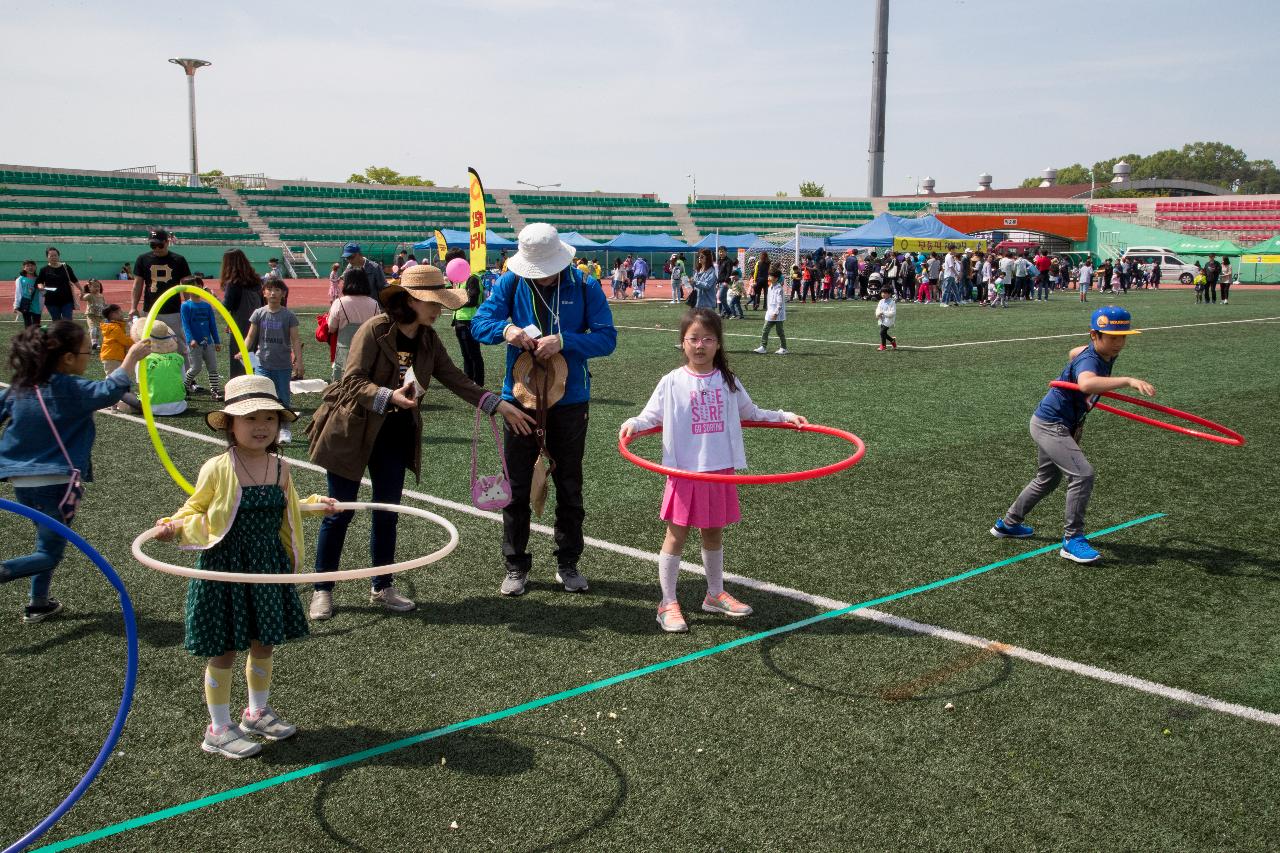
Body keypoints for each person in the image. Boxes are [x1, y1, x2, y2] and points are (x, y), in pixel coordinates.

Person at [307, 264, 534, 617]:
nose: (440, 309)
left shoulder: (429, 339)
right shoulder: (375, 330)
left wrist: (499, 405)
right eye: (434, 302)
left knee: (387, 513)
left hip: (395, 436)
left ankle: (382, 586)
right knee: (340, 513)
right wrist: (389, 396)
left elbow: (457, 379)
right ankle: (323, 588)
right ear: (410, 299)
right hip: (352, 431)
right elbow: (350, 383)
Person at [151, 375, 338, 758]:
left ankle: (256, 712)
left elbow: (287, 506)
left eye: (269, 418)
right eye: (250, 418)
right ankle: (218, 729)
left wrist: (316, 504)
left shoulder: (281, 468)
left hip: (267, 566)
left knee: (263, 641)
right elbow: (196, 508)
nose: (261, 426)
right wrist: (172, 526)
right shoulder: (218, 468)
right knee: (225, 649)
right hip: (227, 566)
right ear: (230, 425)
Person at [620, 308, 807, 633]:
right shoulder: (672, 381)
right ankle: (667, 601)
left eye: (708, 338)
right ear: (682, 343)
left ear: (718, 344)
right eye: (693, 338)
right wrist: (634, 423)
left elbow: (752, 413)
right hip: (685, 472)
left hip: (718, 469)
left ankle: (714, 593)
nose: (700, 345)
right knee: (676, 535)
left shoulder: (728, 381)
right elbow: (650, 416)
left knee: (713, 532)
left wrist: (784, 416)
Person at [470, 224, 618, 597]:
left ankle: (568, 562)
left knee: (569, 484)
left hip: (570, 401)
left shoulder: (584, 285)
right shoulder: (511, 282)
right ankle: (516, 564)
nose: (542, 274)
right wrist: (507, 332)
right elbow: (478, 324)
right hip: (519, 400)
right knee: (517, 485)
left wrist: (565, 341)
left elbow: (607, 338)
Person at [0, 322, 151, 621]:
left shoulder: (21, 388)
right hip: (55, 482)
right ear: (68, 358)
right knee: (49, 552)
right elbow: (109, 390)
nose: (90, 357)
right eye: (87, 352)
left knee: (48, 540)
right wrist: (131, 357)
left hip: (21, 481)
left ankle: (38, 603)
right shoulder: (69, 387)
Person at [991, 306, 1153, 564]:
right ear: (1094, 335)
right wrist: (1128, 381)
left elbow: (1073, 353)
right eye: (1112, 337)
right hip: (1050, 423)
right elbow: (1087, 384)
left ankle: (1008, 524)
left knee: (1046, 479)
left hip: (1060, 424)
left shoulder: (1101, 353)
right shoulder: (1093, 359)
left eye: (1123, 337)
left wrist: (1076, 363)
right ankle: (1072, 539)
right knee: (1083, 473)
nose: (1119, 343)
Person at [243, 281, 302, 443]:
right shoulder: (259, 313)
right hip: (262, 364)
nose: (273, 293)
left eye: (277, 290)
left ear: (283, 294)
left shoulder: (289, 316)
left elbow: (295, 340)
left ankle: (284, 429)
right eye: (269, 289)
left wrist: (299, 361)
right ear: (264, 293)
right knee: (263, 397)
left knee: (283, 398)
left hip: (283, 365)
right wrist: (243, 351)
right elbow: (250, 336)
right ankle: (265, 430)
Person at [131, 229, 191, 367]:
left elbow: (186, 285)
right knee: (150, 345)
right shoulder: (142, 259)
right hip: (151, 310)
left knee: (180, 345)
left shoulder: (179, 260)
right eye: (153, 245)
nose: (156, 248)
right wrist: (133, 307)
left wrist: (188, 304)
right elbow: (137, 285)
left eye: (159, 245)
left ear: (167, 242)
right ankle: (154, 374)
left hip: (173, 310)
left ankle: (187, 379)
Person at [120, 320, 187, 416]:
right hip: (180, 406)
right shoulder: (179, 358)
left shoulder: (143, 360)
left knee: (121, 392)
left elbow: (141, 385)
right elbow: (183, 381)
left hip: (152, 408)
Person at [326, 267, 381, 382]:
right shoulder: (374, 304)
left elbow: (331, 328)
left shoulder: (339, 302)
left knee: (341, 382)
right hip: (367, 351)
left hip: (345, 352)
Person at [220, 249, 264, 380]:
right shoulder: (256, 280)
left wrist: (214, 298)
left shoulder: (233, 283)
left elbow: (227, 305)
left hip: (241, 324)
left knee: (239, 355)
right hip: (257, 323)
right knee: (253, 354)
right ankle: (254, 380)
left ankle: (240, 384)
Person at [444, 249, 486, 385]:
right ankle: (469, 383)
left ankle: (478, 384)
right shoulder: (460, 279)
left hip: (470, 322)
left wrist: (456, 302)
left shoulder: (472, 278)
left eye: (449, 262)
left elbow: (473, 300)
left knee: (474, 355)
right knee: (466, 355)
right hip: (460, 321)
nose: (448, 266)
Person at [180, 279, 223, 400]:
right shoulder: (186, 306)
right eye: (194, 286)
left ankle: (215, 391)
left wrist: (217, 341)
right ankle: (184, 387)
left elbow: (212, 325)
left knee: (212, 367)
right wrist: (191, 339)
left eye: (199, 286)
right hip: (194, 344)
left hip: (207, 342)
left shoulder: (206, 306)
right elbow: (186, 325)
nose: (197, 288)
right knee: (196, 367)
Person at [36, 246, 79, 322]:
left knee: (68, 321)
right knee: (56, 321)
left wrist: (82, 290)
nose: (53, 257)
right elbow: (39, 282)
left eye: (55, 255)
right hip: (51, 301)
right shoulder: (44, 270)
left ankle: (67, 334)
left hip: (67, 299)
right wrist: (41, 286)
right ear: (47, 257)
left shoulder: (66, 267)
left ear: (58, 256)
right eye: (51, 256)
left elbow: (74, 279)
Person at [753, 271, 787, 355]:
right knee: (765, 330)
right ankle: (763, 347)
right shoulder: (770, 286)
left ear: (776, 278)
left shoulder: (779, 288)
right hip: (770, 313)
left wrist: (776, 312)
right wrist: (769, 311)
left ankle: (784, 348)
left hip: (777, 314)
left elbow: (780, 302)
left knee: (780, 332)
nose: (769, 277)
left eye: (770, 276)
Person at [13, 259, 41, 328]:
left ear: (35, 267)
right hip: (26, 304)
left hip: (36, 305)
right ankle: (28, 338)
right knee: (27, 325)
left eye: (32, 265)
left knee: (37, 325)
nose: (30, 267)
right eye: (27, 266)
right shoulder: (20, 279)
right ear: (24, 268)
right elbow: (18, 293)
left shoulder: (39, 279)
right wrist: (16, 305)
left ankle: (36, 338)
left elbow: (42, 293)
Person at [81, 280, 106, 350]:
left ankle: (96, 343)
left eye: (98, 286)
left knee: (98, 330)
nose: (97, 288)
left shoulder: (101, 296)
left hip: (100, 316)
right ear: (89, 287)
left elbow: (104, 304)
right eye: (94, 286)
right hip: (91, 315)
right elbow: (82, 299)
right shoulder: (89, 295)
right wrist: (82, 292)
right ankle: (93, 342)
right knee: (93, 329)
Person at [875, 286, 898, 351]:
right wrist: (878, 314)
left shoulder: (892, 302)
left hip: (889, 320)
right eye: (882, 293)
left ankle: (883, 346)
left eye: (885, 293)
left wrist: (883, 313)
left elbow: (892, 313)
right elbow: (878, 309)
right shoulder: (881, 301)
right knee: (884, 333)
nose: (883, 294)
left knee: (882, 332)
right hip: (882, 319)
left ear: (889, 294)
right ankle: (892, 341)